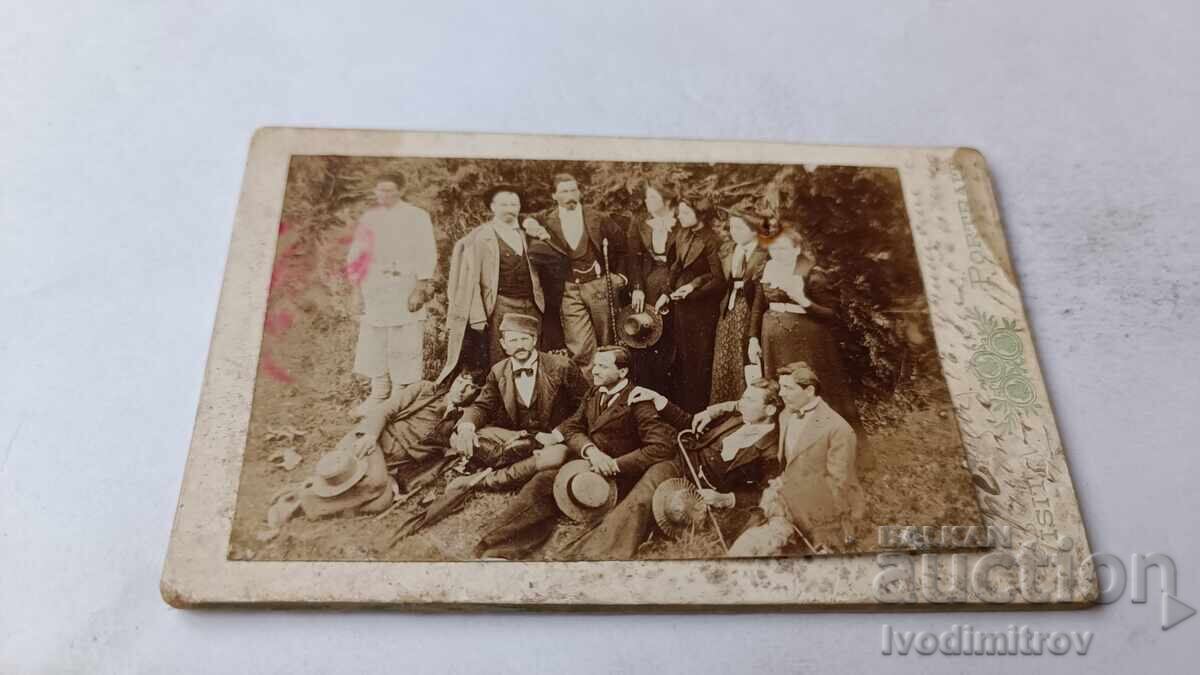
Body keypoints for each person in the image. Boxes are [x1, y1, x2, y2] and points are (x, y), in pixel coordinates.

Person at [473, 346, 675, 559]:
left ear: (622, 372)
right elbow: (572, 427)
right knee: (543, 482)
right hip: (587, 464)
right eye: (595, 365)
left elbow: (661, 447)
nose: (594, 371)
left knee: (596, 515)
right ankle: (499, 544)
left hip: (620, 477)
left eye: (602, 367)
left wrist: (615, 464)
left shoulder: (639, 401)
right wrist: (590, 451)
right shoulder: (595, 391)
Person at [560, 379, 783, 560]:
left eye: (750, 400)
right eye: (743, 397)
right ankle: (599, 554)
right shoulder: (735, 418)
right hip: (682, 463)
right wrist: (659, 400)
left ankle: (602, 549)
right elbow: (689, 423)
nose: (741, 404)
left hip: (703, 490)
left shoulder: (771, 451)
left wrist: (726, 498)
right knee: (640, 500)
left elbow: (765, 494)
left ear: (770, 408)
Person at [727, 362, 863, 556]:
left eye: (788, 388)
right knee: (743, 547)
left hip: (820, 515)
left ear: (809, 391)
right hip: (782, 503)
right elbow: (751, 403)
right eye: (781, 388)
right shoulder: (786, 415)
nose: (781, 394)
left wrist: (836, 532)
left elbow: (840, 486)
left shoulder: (838, 429)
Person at [448, 313, 590, 490]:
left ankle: (486, 480)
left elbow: (586, 405)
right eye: (513, 341)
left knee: (554, 457)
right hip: (518, 436)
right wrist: (467, 427)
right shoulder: (498, 371)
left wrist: (557, 434)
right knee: (458, 438)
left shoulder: (562, 366)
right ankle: (518, 460)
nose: (520, 346)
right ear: (503, 344)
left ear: (534, 340)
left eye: (524, 339)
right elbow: (483, 406)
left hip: (554, 439)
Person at [747, 225, 864, 440]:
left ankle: (828, 442)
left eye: (783, 248)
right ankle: (789, 446)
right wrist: (753, 339)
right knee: (781, 392)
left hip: (806, 342)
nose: (778, 253)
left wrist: (803, 300)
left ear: (796, 249)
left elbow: (830, 313)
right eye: (774, 248)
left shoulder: (809, 273)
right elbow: (757, 307)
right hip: (772, 341)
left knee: (810, 390)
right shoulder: (767, 269)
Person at [346, 173, 438, 414]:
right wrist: (356, 291)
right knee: (375, 338)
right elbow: (358, 254)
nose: (384, 195)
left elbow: (426, 252)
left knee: (404, 339)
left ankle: (399, 394)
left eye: (389, 190)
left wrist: (420, 287)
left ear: (401, 190)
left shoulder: (417, 216)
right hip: (374, 287)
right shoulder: (369, 218)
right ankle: (378, 392)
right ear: (374, 192)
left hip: (404, 286)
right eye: (380, 190)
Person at [521, 173, 629, 371]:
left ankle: (610, 394)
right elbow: (524, 218)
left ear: (579, 192)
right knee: (580, 347)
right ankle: (588, 396)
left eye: (573, 190)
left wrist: (619, 277)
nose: (570, 195)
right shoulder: (546, 219)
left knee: (608, 341)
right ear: (554, 196)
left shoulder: (597, 217)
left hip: (599, 286)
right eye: (564, 191)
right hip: (568, 290)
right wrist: (531, 226)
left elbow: (624, 246)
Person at [440, 185, 546, 381]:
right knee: (501, 358)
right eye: (503, 204)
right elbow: (470, 281)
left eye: (514, 204)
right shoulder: (481, 237)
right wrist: (477, 315)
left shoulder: (527, 234)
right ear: (492, 207)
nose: (509, 208)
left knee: (531, 353)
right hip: (499, 304)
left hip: (531, 304)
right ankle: (501, 403)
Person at [343, 369, 485, 481]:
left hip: (401, 463)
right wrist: (371, 435)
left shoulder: (465, 416)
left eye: (470, 387)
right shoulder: (425, 389)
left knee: (372, 489)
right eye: (460, 382)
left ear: (477, 393)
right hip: (380, 440)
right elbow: (385, 409)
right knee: (341, 467)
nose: (461, 390)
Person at [659, 197, 724, 412]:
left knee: (699, 359)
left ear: (701, 215)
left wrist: (692, 291)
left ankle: (699, 410)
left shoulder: (712, 240)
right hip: (681, 307)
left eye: (686, 213)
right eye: (680, 212)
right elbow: (675, 267)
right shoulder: (682, 234)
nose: (680, 216)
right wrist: (667, 293)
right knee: (682, 358)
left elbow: (718, 278)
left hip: (702, 310)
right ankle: (682, 409)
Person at [624, 182, 678, 396]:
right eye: (647, 198)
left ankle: (673, 395)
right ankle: (647, 391)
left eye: (653, 198)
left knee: (672, 340)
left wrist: (669, 287)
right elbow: (633, 259)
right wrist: (637, 287)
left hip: (676, 281)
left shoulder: (680, 221)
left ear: (667, 200)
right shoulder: (640, 221)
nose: (648, 202)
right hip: (649, 282)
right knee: (647, 335)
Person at [710, 210, 768, 404]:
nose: (734, 232)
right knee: (724, 359)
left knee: (744, 358)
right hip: (729, 308)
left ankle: (748, 405)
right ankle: (723, 405)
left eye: (740, 228)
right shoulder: (729, 249)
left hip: (750, 308)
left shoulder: (763, 252)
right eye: (732, 227)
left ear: (754, 230)